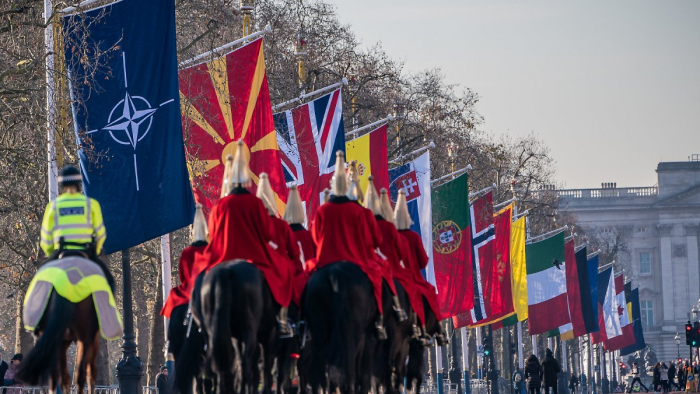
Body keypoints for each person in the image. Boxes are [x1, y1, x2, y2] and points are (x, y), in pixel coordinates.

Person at [192, 141, 294, 337]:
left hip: (222, 257)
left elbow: (212, 235)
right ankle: (282, 320)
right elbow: (266, 234)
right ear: (246, 178)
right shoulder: (255, 203)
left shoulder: (220, 205)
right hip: (253, 257)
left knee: (197, 280)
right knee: (282, 274)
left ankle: (196, 321)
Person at [311, 151, 389, 339]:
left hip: (326, 263)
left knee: (305, 286)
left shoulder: (323, 210)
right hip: (357, 262)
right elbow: (376, 241)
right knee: (381, 283)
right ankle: (379, 320)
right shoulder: (361, 212)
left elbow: (315, 238)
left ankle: (300, 324)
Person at [39, 165, 112, 285]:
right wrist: (96, 251)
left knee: (37, 285)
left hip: (61, 252)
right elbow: (101, 234)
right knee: (109, 282)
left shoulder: (53, 206)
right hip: (86, 252)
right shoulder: (91, 204)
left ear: (61, 185)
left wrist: (52, 254)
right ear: (78, 183)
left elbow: (45, 240)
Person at [394, 189, 448, 346]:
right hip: (410, 278)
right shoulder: (412, 237)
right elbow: (423, 263)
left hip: (391, 276)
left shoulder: (391, 235)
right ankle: (435, 330)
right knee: (429, 293)